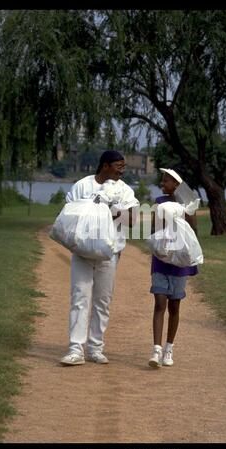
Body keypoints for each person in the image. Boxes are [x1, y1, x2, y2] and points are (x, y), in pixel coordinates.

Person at [60, 150, 138, 366]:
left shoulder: (124, 190)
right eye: (118, 166)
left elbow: (132, 220)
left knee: (102, 301)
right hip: (82, 252)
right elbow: (69, 212)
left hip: (109, 254)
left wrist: (107, 209)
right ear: (105, 166)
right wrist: (92, 207)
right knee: (79, 298)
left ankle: (95, 348)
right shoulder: (82, 186)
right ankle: (75, 349)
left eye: (123, 166)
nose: (122, 170)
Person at [148, 168, 199, 368]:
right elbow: (153, 229)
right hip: (161, 258)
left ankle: (169, 348)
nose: (162, 184)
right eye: (162, 181)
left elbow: (193, 232)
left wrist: (185, 216)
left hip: (178, 261)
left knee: (174, 306)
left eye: (166, 181)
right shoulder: (159, 202)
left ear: (176, 185)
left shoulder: (187, 204)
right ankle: (156, 349)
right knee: (159, 302)